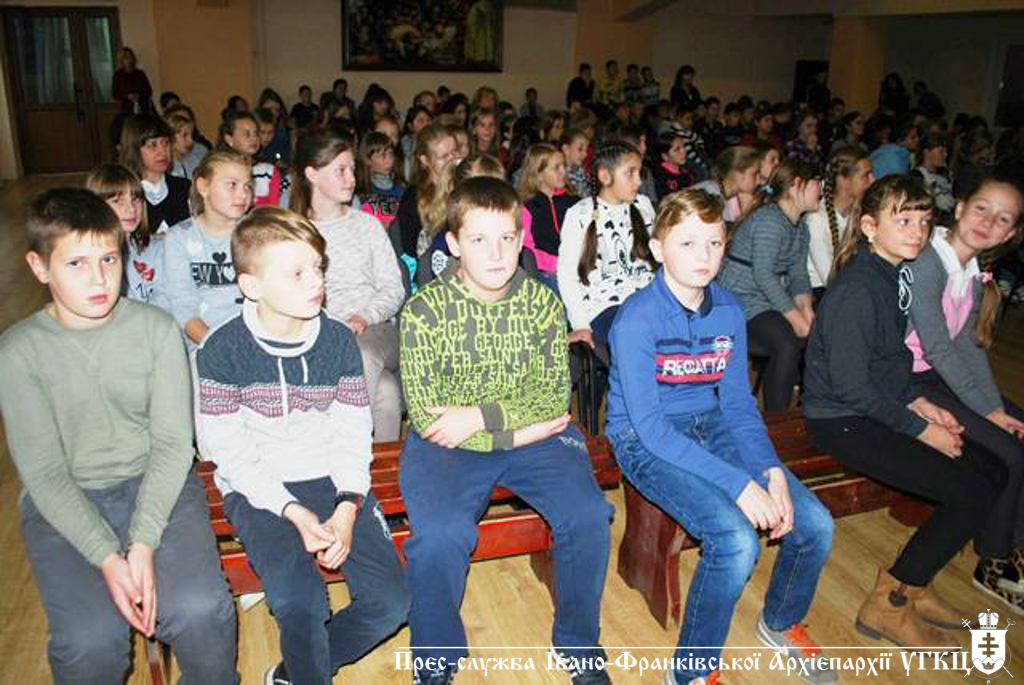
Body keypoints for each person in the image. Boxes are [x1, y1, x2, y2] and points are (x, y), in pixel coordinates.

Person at [0, 188, 237, 685]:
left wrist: (142, 543)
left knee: (202, 611)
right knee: (88, 642)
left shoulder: (155, 329)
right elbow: (44, 474)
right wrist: (108, 556)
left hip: (158, 483)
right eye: (76, 264)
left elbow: (173, 446)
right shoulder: (18, 352)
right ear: (39, 267)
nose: (99, 279)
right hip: (66, 498)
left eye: (108, 259)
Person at [607, 188, 835, 685]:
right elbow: (650, 428)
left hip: (710, 424)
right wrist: (738, 485)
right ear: (658, 248)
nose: (703, 256)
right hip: (642, 440)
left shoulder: (728, 310)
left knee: (815, 524)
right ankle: (690, 672)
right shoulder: (637, 319)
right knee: (734, 540)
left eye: (714, 243)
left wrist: (770, 471)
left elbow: (736, 405)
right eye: (687, 243)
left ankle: (780, 622)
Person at [399, 176, 614, 685]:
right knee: (439, 537)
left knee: (587, 516)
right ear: (454, 244)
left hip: (518, 436)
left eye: (507, 238)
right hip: (450, 445)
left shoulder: (542, 304)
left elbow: (551, 398)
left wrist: (478, 418)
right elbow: (428, 416)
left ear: (521, 239)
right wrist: (519, 431)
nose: (496, 254)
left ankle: (580, 646)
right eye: (479, 239)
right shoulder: (424, 311)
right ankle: (435, 661)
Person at [195, 206, 409, 685]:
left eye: (317, 267)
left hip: (332, 477)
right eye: (297, 273)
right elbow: (231, 455)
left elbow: (352, 434)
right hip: (258, 487)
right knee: (300, 601)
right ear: (252, 286)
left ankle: (295, 673)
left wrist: (346, 509)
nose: (316, 281)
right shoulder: (221, 350)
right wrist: (293, 512)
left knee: (392, 601)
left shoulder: (337, 340)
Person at [804, 175, 1004, 650]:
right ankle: (890, 602)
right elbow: (852, 388)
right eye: (904, 220)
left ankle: (915, 584)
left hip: (874, 406)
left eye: (923, 221)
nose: (917, 232)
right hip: (839, 420)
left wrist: (920, 401)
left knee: (992, 469)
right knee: (969, 491)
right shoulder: (859, 289)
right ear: (869, 226)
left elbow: (890, 363)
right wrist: (920, 430)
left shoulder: (892, 275)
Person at [904, 173, 1024, 611]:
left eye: (1002, 218)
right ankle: (994, 561)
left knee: (1019, 431)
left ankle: (1016, 547)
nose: (988, 222)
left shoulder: (970, 273)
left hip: (937, 376)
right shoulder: (927, 260)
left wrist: (991, 406)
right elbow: (936, 347)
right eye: (981, 209)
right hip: (909, 381)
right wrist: (987, 413)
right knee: (1009, 453)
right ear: (959, 208)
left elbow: (967, 347)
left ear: (1008, 234)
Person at [291, 131, 406, 444]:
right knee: (386, 392)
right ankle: (379, 469)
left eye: (353, 169)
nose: (352, 178)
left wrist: (364, 316)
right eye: (340, 170)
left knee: (363, 353)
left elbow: (393, 288)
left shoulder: (366, 225)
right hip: (320, 334)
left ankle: (336, 449)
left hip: (375, 331)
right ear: (312, 174)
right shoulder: (294, 231)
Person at [718, 160, 819, 412]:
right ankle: (777, 420)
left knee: (820, 331)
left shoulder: (800, 227)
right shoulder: (770, 220)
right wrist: (795, 317)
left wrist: (806, 309)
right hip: (740, 298)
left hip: (768, 297)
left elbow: (798, 273)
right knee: (786, 344)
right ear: (797, 185)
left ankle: (810, 407)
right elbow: (763, 275)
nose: (821, 189)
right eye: (817, 183)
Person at [558, 141, 657, 348]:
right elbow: (567, 275)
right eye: (630, 173)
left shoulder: (643, 205)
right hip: (605, 307)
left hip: (648, 299)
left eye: (639, 173)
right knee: (636, 330)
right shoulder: (580, 214)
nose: (639, 181)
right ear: (605, 176)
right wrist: (580, 324)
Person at [160, 150, 252, 346]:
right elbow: (183, 306)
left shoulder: (257, 233)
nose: (243, 194)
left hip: (253, 340)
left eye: (247, 186)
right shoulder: (179, 237)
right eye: (232, 185)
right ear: (203, 187)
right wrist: (217, 349)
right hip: (203, 343)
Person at [85, 163, 164, 306]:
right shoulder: (91, 260)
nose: (131, 209)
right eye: (118, 201)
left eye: (135, 199)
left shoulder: (158, 247)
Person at [805, 145, 874, 299]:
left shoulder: (860, 213)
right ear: (844, 181)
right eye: (865, 176)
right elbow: (830, 279)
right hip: (823, 295)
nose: (872, 181)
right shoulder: (816, 219)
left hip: (851, 288)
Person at [517, 143, 578, 290]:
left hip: (577, 267)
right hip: (545, 272)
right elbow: (527, 251)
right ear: (539, 174)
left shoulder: (574, 202)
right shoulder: (527, 207)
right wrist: (559, 264)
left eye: (564, 166)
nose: (564, 171)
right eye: (556, 168)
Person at [119, 114, 191, 234]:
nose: (162, 151)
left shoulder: (184, 187)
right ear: (134, 149)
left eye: (166, 143)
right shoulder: (124, 194)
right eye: (152, 145)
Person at [396, 123, 457, 257]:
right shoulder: (413, 197)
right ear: (425, 160)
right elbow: (409, 249)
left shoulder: (462, 185)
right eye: (444, 156)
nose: (452, 160)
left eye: (454, 152)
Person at [111, 47, 153, 114]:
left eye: (130, 57)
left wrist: (138, 96)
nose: (129, 60)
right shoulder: (118, 75)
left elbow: (149, 91)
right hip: (125, 108)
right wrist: (127, 96)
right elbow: (115, 94)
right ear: (121, 60)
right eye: (126, 57)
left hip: (142, 108)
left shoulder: (140, 73)